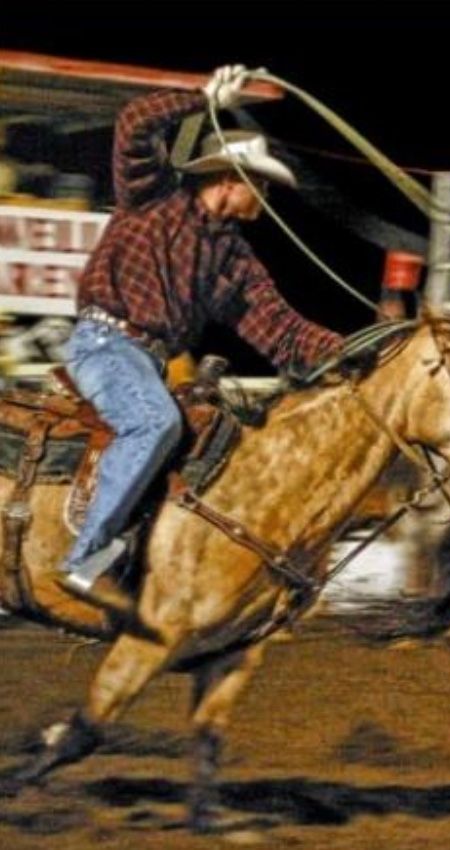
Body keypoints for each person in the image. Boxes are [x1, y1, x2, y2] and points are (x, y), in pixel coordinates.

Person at [54, 65, 343, 616]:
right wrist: (201, 98)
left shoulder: (232, 259)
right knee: (153, 422)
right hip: (104, 345)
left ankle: (146, 561)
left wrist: (349, 350)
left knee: (210, 440)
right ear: (230, 179)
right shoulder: (153, 198)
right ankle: (82, 560)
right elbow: (136, 125)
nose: (265, 195)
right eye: (260, 183)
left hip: (148, 361)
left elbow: (281, 330)